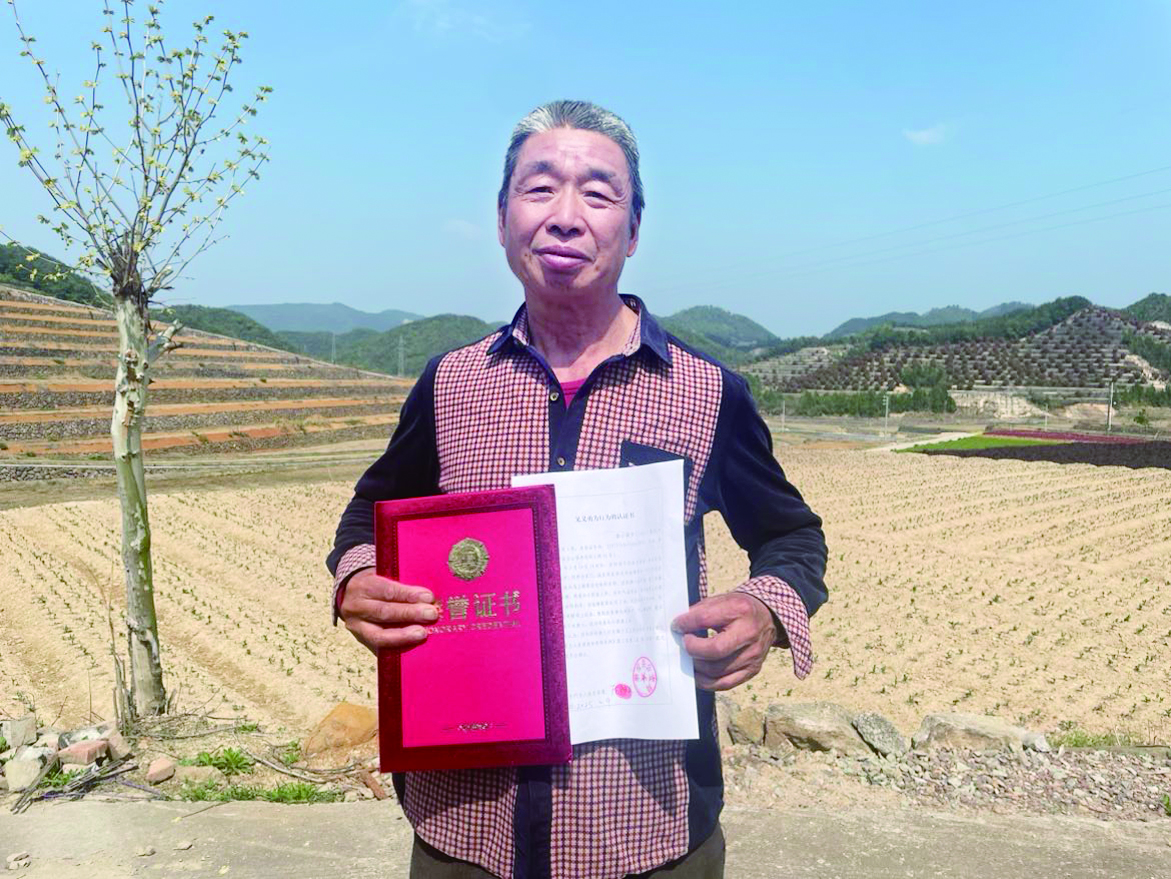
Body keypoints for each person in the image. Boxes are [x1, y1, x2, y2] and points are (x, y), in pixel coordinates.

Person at [327, 99, 827, 879]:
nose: (565, 215)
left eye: (597, 193)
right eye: (539, 188)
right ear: (501, 219)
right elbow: (370, 510)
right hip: (463, 828)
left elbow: (791, 535)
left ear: (632, 230)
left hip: (647, 831)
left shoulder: (707, 392)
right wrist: (357, 576)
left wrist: (764, 608)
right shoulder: (450, 383)